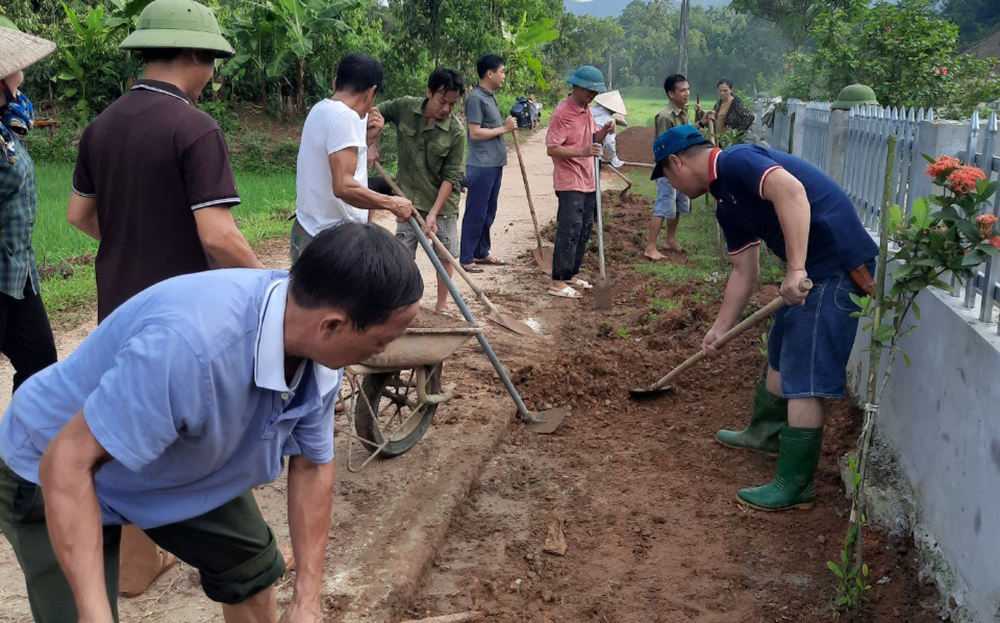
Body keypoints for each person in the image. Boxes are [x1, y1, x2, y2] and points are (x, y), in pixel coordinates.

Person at [0, 222, 423, 623]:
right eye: (381, 340)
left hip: (164, 457)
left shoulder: (317, 346)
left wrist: (307, 599)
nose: (381, 351)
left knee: (253, 568)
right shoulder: (189, 349)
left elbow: (312, 465)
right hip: (50, 462)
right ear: (333, 324)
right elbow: (67, 462)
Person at [65, 0, 267, 598]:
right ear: (197, 57)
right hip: (184, 322)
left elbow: (78, 213)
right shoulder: (195, 128)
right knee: (213, 434)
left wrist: (133, 240)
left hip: (117, 310)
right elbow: (218, 235)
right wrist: (267, 290)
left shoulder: (102, 125)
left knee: (132, 431)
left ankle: (134, 568)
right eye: (213, 63)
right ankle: (236, 558)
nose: (212, 76)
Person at [650, 125, 878, 512]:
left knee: (804, 371)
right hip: (811, 270)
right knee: (782, 347)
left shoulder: (737, 161)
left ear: (676, 162)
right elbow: (744, 271)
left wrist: (795, 269)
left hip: (834, 267)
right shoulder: (724, 200)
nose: (670, 185)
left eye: (666, 176)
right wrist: (719, 329)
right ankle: (765, 433)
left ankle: (795, 484)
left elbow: (793, 193)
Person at [292, 53, 414, 261]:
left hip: (307, 229)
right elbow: (344, 186)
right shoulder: (345, 117)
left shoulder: (320, 109)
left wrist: (366, 140)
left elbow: (337, 163)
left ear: (335, 83)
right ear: (371, 92)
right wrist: (392, 203)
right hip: (332, 240)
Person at [377, 68, 466, 315]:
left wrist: (433, 214)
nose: (446, 109)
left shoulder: (456, 132)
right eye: (442, 101)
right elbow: (373, 114)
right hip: (406, 199)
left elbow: (451, 177)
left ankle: (442, 304)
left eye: (453, 104)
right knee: (403, 254)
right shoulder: (405, 107)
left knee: (444, 254)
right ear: (428, 93)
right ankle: (401, 303)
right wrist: (371, 143)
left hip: (442, 203)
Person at [0, 24, 58, 394]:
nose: (21, 86)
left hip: (17, 274)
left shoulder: (6, 130)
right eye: (15, 80)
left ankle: (21, 448)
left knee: (41, 368)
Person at [545, 66, 615, 299]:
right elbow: (552, 148)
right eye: (589, 92)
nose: (592, 96)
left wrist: (605, 131)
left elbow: (593, 139)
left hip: (588, 179)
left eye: (595, 93)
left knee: (584, 228)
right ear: (577, 87)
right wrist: (583, 151)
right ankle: (557, 282)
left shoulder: (586, 111)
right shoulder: (562, 113)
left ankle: (570, 274)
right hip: (570, 181)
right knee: (569, 228)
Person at [459, 54, 517, 273]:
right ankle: (466, 257)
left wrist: (505, 127)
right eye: (501, 71)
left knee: (489, 210)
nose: (503, 75)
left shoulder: (489, 96)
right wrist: (504, 129)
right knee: (476, 211)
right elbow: (474, 133)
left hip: (494, 164)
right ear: (489, 73)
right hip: (481, 166)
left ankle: (481, 252)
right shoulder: (476, 98)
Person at [645, 74, 694, 261]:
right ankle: (650, 247)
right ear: (671, 94)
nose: (687, 93)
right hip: (669, 169)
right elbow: (665, 146)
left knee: (679, 205)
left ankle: (670, 240)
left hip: (681, 167)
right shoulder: (665, 116)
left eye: (688, 89)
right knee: (664, 205)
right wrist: (673, 169)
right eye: (682, 90)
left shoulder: (683, 111)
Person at [590, 89, 627, 169]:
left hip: (577, 152)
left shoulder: (588, 111)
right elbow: (610, 142)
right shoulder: (609, 121)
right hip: (594, 153)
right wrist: (613, 158)